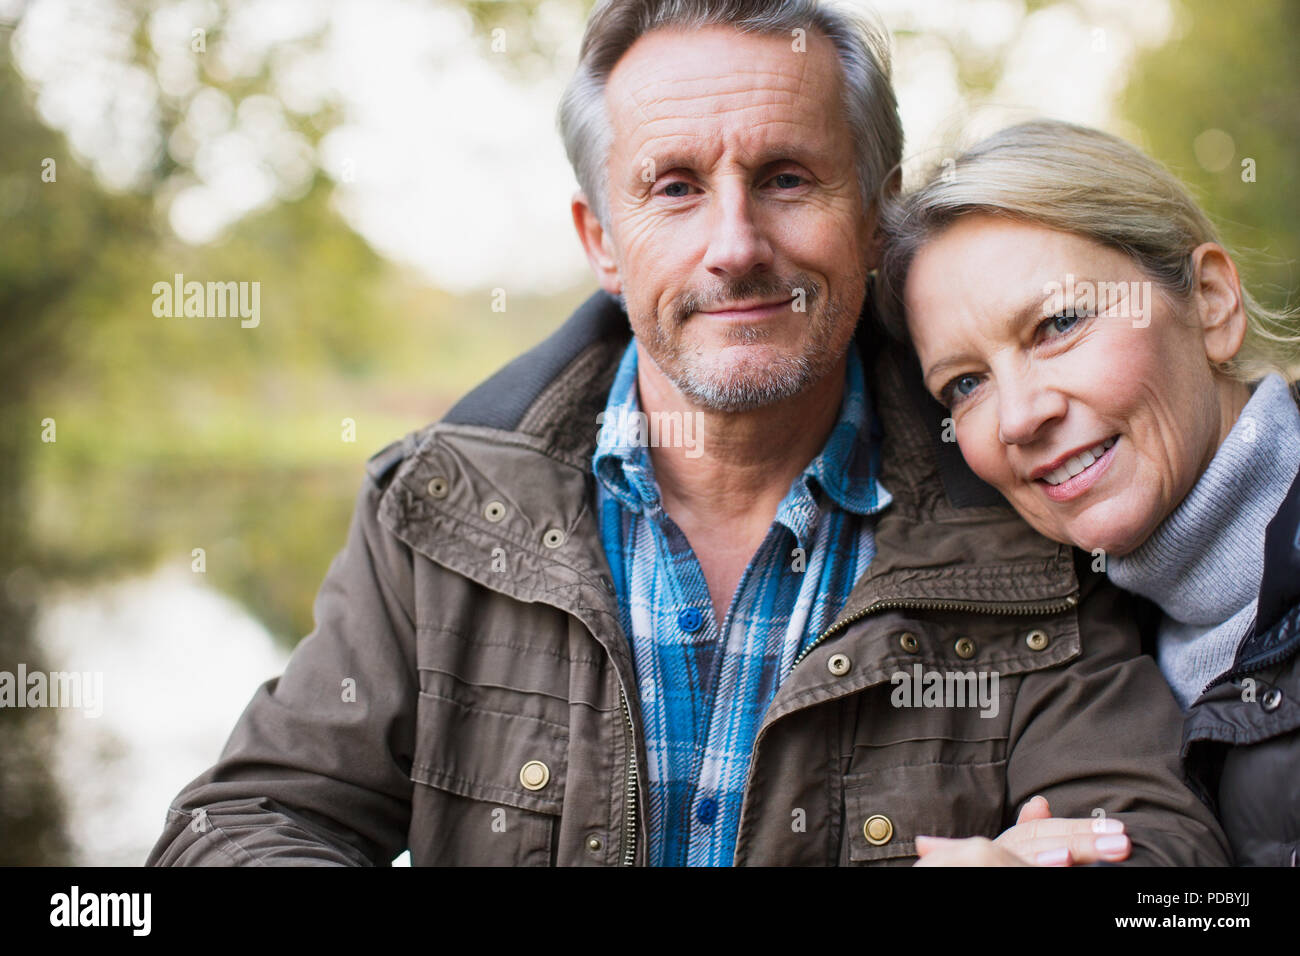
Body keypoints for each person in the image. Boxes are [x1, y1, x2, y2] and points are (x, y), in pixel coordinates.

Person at [147, 1, 1229, 867]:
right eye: (672, 188)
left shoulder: (1019, 514)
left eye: (786, 178)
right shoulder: (434, 513)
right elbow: (244, 822)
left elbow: (1165, 847)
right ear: (601, 240)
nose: (734, 245)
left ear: (875, 215)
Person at [879, 118, 1300, 866]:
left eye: (1059, 323)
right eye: (966, 384)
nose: (1019, 416)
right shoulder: (1082, 643)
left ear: (1210, 301)